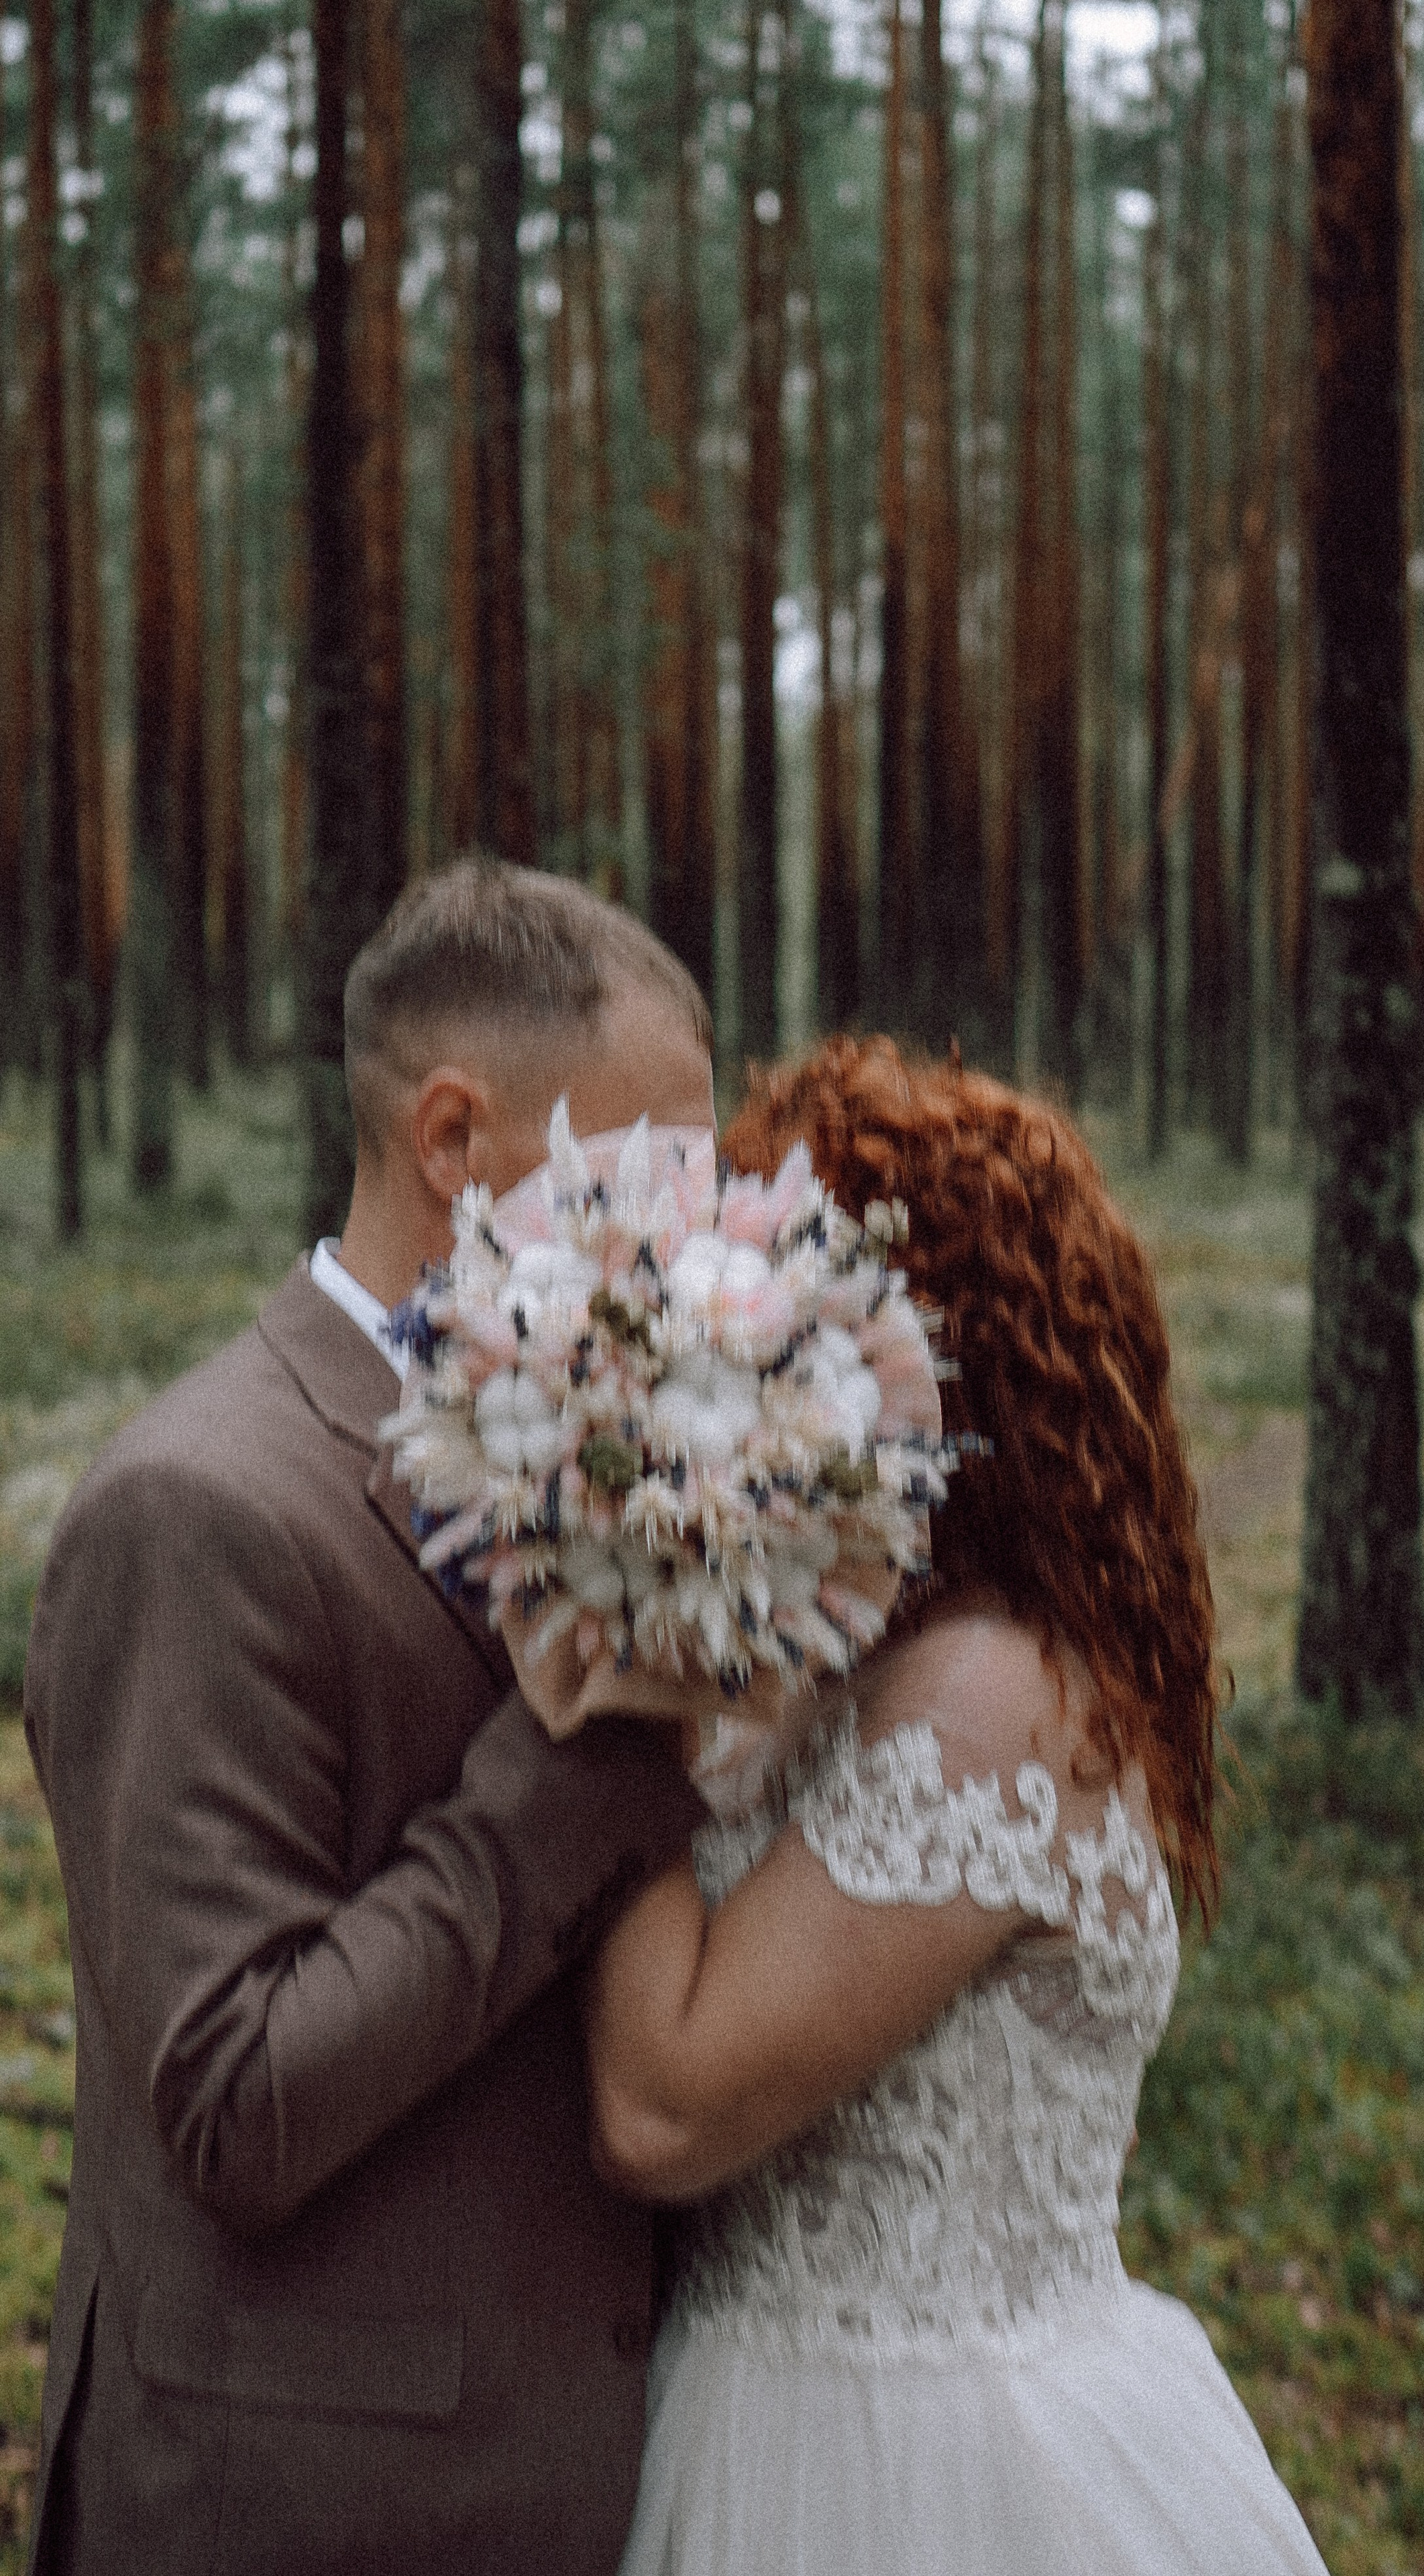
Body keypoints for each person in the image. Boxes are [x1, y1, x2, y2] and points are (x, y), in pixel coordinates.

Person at [514, 1034, 1331, 2576]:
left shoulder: (992, 1702)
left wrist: (613, 1673)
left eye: (784, 1293)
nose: (738, 1331)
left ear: (927, 1344)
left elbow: (661, 2105)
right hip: (756, 2401)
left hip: (914, 2471)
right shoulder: (860, 1651)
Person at [22, 859, 717, 2576]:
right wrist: (587, 1765)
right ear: (456, 1140)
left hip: (577, 2478)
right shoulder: (196, 1509)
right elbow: (236, 2105)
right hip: (299, 2514)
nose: (691, 1251)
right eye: (648, 1186)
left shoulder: (598, 1452)